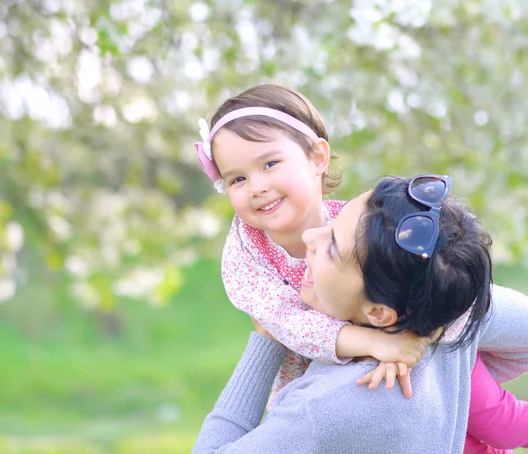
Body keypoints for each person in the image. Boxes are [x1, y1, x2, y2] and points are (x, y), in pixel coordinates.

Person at [192, 175, 528, 454]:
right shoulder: (452, 312)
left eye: (333, 247)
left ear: (380, 313)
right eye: (331, 223)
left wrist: (269, 342)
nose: (311, 236)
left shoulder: (326, 407)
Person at [194, 84, 430, 405]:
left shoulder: (353, 224)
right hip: (303, 399)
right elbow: (284, 321)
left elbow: (410, 282)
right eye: (237, 179)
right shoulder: (245, 250)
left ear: (317, 157)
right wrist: (372, 342)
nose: (256, 187)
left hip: (375, 379)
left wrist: (402, 342)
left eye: (269, 164)